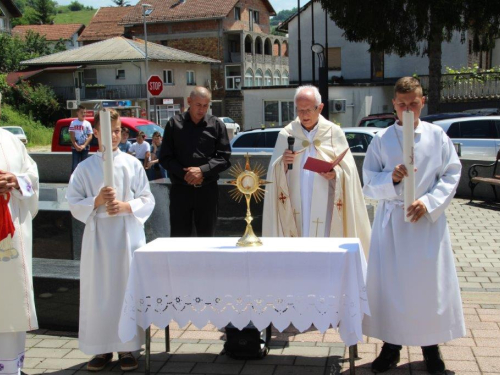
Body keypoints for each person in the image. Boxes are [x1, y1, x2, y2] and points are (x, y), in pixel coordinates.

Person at [362, 77, 465, 374]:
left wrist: (430, 203)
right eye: (402, 104)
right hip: (393, 223)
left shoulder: (437, 137)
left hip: (425, 225)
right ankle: (391, 347)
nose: (408, 110)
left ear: (423, 103)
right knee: (392, 287)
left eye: (414, 104)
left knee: (426, 287)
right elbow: (368, 182)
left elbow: (451, 174)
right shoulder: (381, 140)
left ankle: (430, 348)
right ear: (393, 104)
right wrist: (391, 179)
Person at [66, 109, 155, 372]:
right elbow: (72, 202)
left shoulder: (132, 164)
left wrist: (127, 206)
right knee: (100, 292)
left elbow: (147, 198)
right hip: (99, 238)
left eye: (118, 131)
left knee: (126, 289)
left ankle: (128, 347)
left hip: (127, 236)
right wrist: (96, 201)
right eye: (109, 132)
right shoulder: (85, 167)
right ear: (96, 133)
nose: (115, 136)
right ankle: (101, 348)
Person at [262, 85, 371, 256]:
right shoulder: (287, 134)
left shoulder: (334, 133)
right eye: (300, 110)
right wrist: (283, 163)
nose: (304, 115)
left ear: (320, 108)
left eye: (308, 110)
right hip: (295, 206)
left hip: (326, 205)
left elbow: (349, 172)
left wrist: (336, 174)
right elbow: (273, 173)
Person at [0, 92, 39, 375]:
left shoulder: (10, 139)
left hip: (10, 235)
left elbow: (32, 177)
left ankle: (9, 368)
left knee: (10, 305)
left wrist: (17, 181)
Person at [159, 86, 231, 237]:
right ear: (189, 101)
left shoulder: (217, 125)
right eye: (198, 105)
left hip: (207, 190)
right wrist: (186, 174)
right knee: (179, 238)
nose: (202, 110)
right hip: (181, 190)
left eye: (206, 105)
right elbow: (165, 157)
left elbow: (224, 158)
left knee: (207, 239)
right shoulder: (174, 124)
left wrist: (202, 171)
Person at [69, 105, 93, 172]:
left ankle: (83, 181)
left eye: (85, 112)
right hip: (75, 147)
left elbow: (90, 136)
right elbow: (71, 135)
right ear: (77, 113)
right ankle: (73, 180)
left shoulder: (88, 124)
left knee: (84, 165)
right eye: (82, 112)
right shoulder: (73, 123)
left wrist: (84, 145)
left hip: (85, 148)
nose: (83, 114)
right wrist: (75, 145)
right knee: (75, 165)